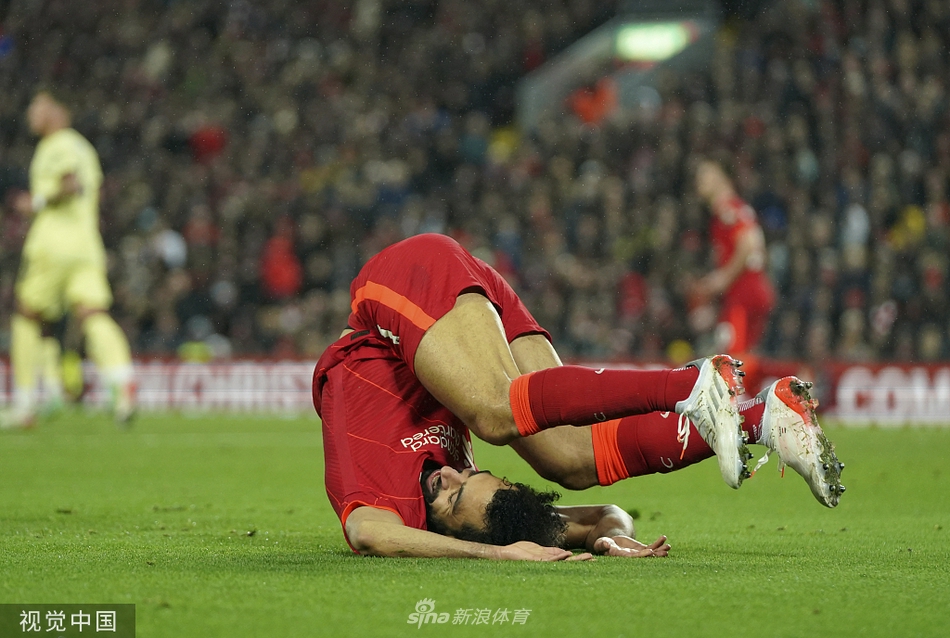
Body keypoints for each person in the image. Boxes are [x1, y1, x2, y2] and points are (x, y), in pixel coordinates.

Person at [312, 233, 844, 561]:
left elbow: (366, 534)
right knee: (569, 458)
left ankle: (694, 382)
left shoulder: (389, 507)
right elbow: (604, 514)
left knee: (499, 414)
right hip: (461, 312)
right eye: (467, 478)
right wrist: (607, 535)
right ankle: (764, 416)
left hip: (402, 287)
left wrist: (498, 559)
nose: (450, 474)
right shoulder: (471, 516)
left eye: (449, 491)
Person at [1, 91, 135, 429]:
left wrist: (37, 202)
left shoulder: (57, 145)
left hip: (53, 244)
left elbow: (70, 185)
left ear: (58, 110)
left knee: (27, 316)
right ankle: (123, 385)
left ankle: (26, 403)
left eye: (38, 105)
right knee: (92, 314)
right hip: (86, 244)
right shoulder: (84, 147)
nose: (31, 112)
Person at [692, 160, 776, 354]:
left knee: (730, 362)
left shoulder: (727, 209)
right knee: (744, 359)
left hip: (743, 294)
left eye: (706, 174)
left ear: (722, 177)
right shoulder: (738, 208)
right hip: (751, 290)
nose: (699, 180)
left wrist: (723, 278)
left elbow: (748, 244)